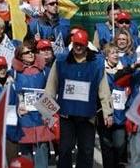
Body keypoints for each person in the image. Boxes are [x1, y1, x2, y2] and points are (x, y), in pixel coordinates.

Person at [44, 30, 112, 168]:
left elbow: (104, 90)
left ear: (86, 45)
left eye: (81, 44)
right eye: (76, 44)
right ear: (72, 43)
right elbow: (50, 88)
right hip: (66, 116)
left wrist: (108, 113)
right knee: (64, 150)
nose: (78, 47)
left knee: (86, 151)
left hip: (87, 116)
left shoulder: (97, 63)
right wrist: (46, 113)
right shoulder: (61, 60)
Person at [13, 42, 52, 167]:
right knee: (25, 154)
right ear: (20, 56)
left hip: (41, 115)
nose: (30, 54)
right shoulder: (14, 72)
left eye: (31, 51)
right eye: (26, 52)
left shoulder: (44, 70)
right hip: (24, 116)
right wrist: (18, 107)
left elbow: (50, 91)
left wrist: (49, 112)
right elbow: (10, 93)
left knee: (42, 149)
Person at [99, 42, 132, 168]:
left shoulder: (124, 69)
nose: (116, 55)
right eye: (112, 53)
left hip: (120, 115)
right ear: (106, 56)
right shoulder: (101, 71)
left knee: (119, 145)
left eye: (117, 52)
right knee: (107, 148)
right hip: (104, 114)